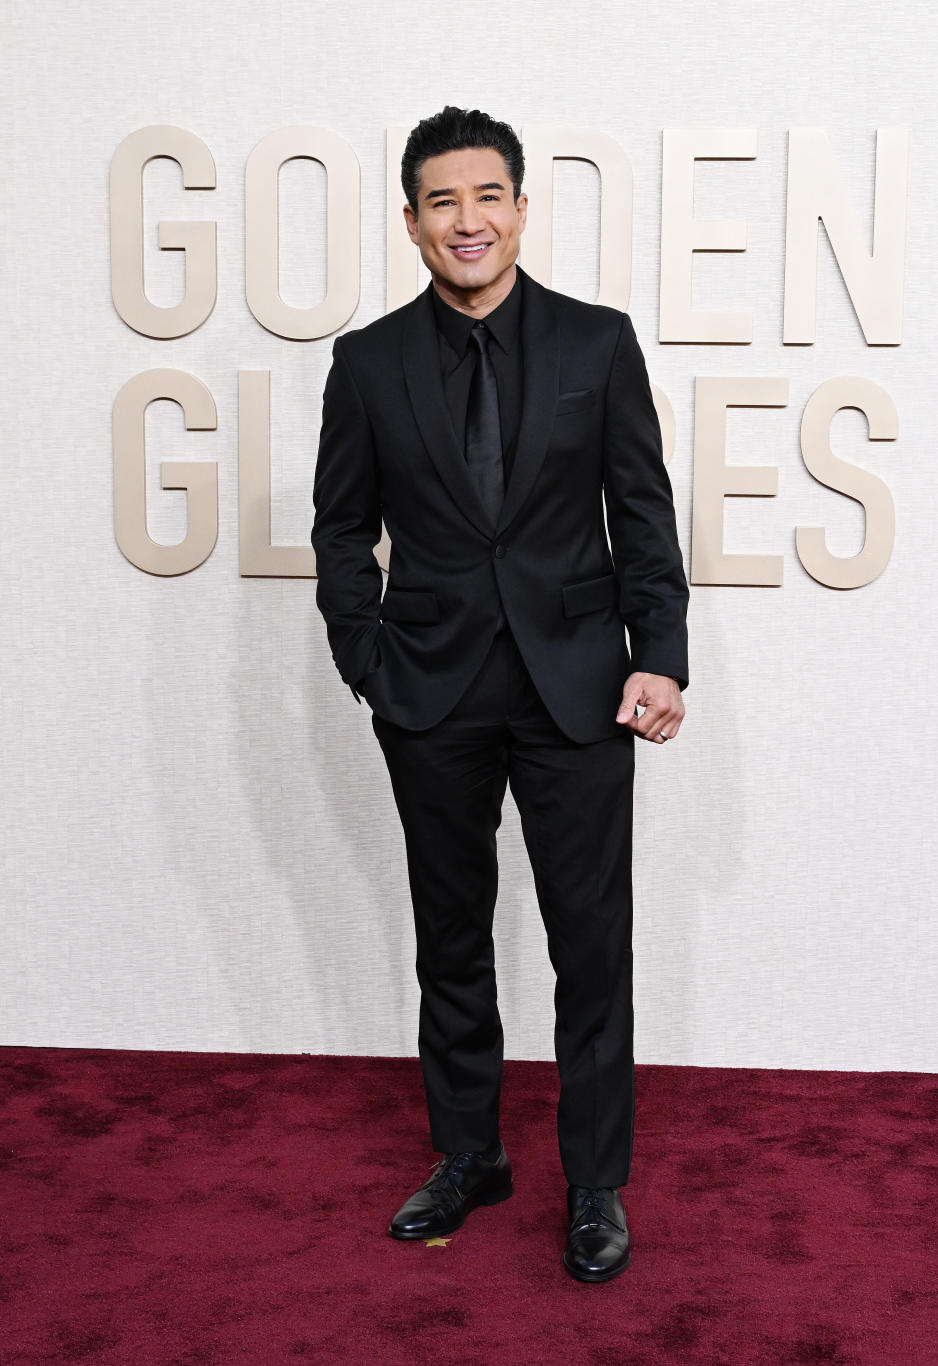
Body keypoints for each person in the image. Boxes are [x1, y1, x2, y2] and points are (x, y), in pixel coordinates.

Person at [311, 105, 689, 1283]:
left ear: (521, 209)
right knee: (451, 938)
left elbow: (642, 513)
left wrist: (659, 655)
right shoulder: (367, 362)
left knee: (591, 943)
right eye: (441, 201)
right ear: (414, 222)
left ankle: (594, 1185)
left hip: (580, 689)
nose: (466, 220)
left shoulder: (598, 343)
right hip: (430, 693)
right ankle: (469, 1153)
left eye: (487, 197)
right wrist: (369, 662)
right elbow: (339, 532)